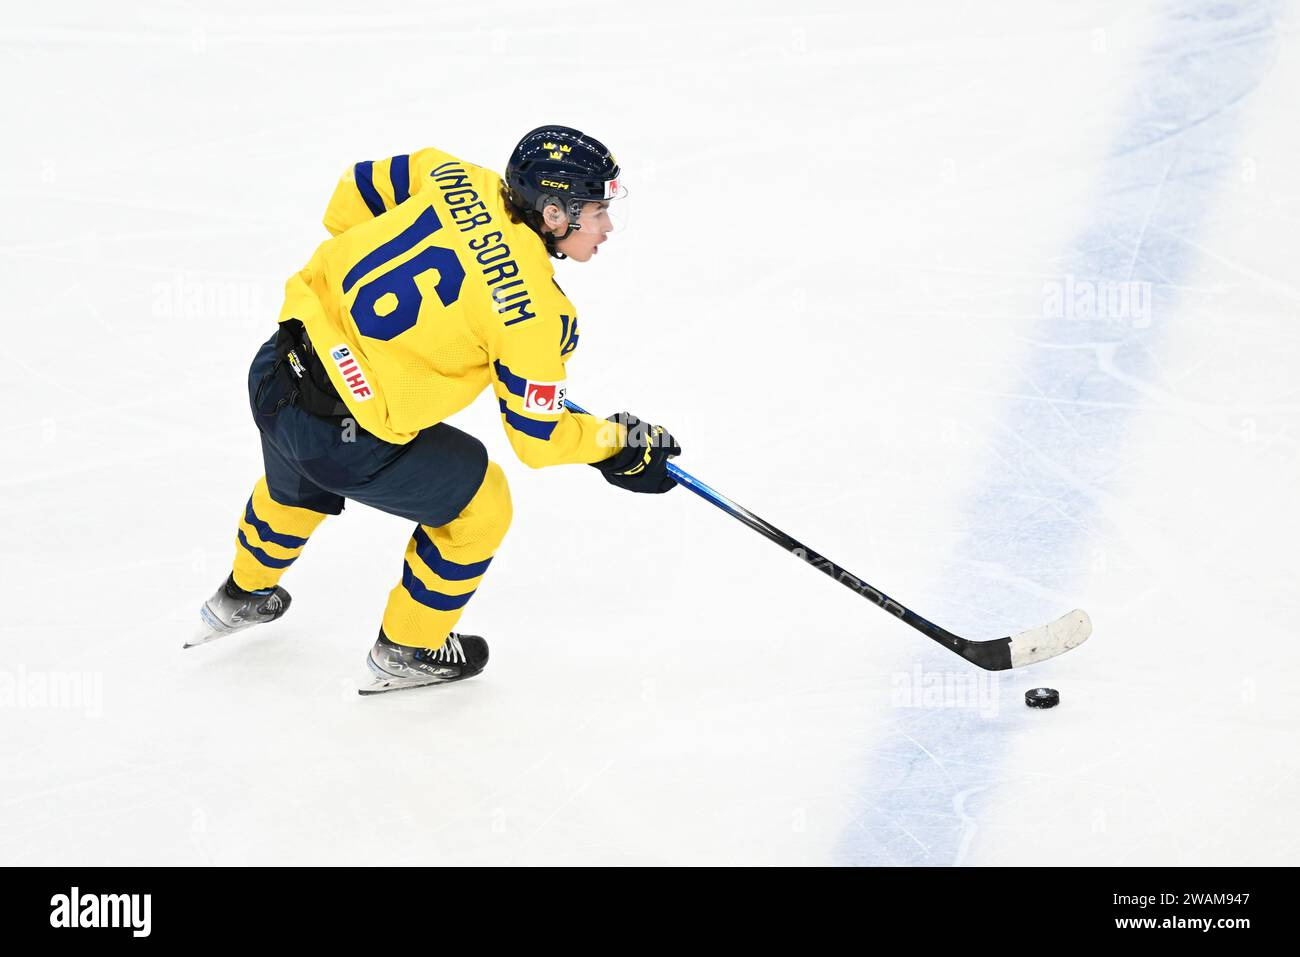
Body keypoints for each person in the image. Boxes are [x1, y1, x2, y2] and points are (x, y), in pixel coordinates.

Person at [188, 125, 681, 695]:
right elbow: (538, 440)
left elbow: (350, 193)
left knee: (293, 478)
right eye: (596, 210)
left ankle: (242, 594)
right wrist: (617, 446)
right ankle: (408, 647)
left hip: (277, 370)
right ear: (552, 213)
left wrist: (368, 323)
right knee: (481, 504)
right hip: (342, 438)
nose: (607, 226)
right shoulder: (538, 317)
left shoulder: (451, 174)